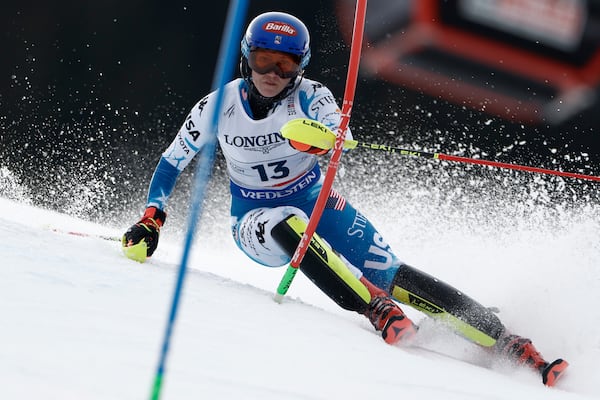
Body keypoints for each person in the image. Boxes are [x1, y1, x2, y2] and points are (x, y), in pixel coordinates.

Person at [122, 11, 568, 386]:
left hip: (319, 202)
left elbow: (340, 133)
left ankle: (509, 342)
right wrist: (152, 218)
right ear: (246, 59)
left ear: (301, 66)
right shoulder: (217, 105)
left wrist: (325, 141)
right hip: (255, 221)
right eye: (263, 61)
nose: (273, 75)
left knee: (393, 272)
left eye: (286, 65)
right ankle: (375, 308)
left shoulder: (312, 95)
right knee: (284, 222)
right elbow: (172, 161)